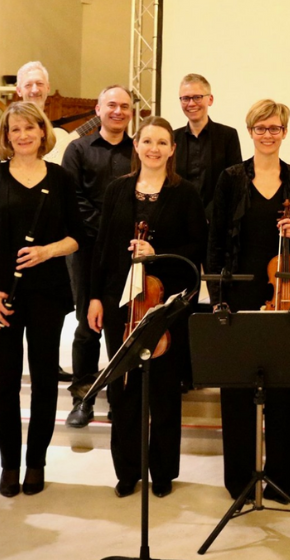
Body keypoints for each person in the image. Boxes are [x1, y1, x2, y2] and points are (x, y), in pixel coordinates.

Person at [207, 99, 290, 501]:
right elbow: (216, 242)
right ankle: (239, 479)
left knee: (284, 388)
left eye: (275, 129)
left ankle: (283, 480)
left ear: (285, 133)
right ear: (250, 131)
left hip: (285, 293)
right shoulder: (231, 178)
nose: (268, 135)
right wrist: (218, 298)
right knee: (237, 389)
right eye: (261, 128)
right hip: (239, 292)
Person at [87, 117, 206, 498]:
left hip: (164, 304)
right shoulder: (117, 190)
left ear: (173, 150)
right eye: (147, 141)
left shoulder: (185, 193)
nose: (154, 148)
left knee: (164, 392)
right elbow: (102, 248)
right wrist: (93, 296)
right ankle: (127, 470)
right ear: (136, 146)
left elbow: (196, 250)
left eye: (162, 142)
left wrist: (159, 254)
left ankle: (163, 471)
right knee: (123, 389)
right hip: (119, 304)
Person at [0, 101, 82, 497]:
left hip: (48, 294)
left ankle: (36, 462)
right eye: (14, 129)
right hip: (1, 294)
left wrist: (47, 251)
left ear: (42, 133)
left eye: (29, 128)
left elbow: (77, 236)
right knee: (4, 382)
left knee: (44, 381)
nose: (22, 136)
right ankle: (8, 465)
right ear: (6, 136)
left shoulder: (61, 177)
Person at [62, 85, 134, 428]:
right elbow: (70, 199)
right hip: (87, 249)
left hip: (130, 252)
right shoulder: (77, 149)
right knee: (87, 324)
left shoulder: (140, 150)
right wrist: (105, 231)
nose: (117, 111)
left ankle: (124, 397)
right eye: (111, 105)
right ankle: (84, 396)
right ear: (98, 109)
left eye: (124, 106)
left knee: (124, 324)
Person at [172, 73, 242, 222]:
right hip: (180, 220)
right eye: (185, 98)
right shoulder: (172, 138)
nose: (191, 103)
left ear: (210, 99)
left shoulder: (228, 136)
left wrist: (208, 215)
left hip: (217, 221)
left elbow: (233, 182)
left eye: (197, 97)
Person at [0, 61, 60, 169]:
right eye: (28, 85)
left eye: (40, 84)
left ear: (48, 88)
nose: (35, 90)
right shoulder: (7, 127)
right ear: (18, 90)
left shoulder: (59, 131)